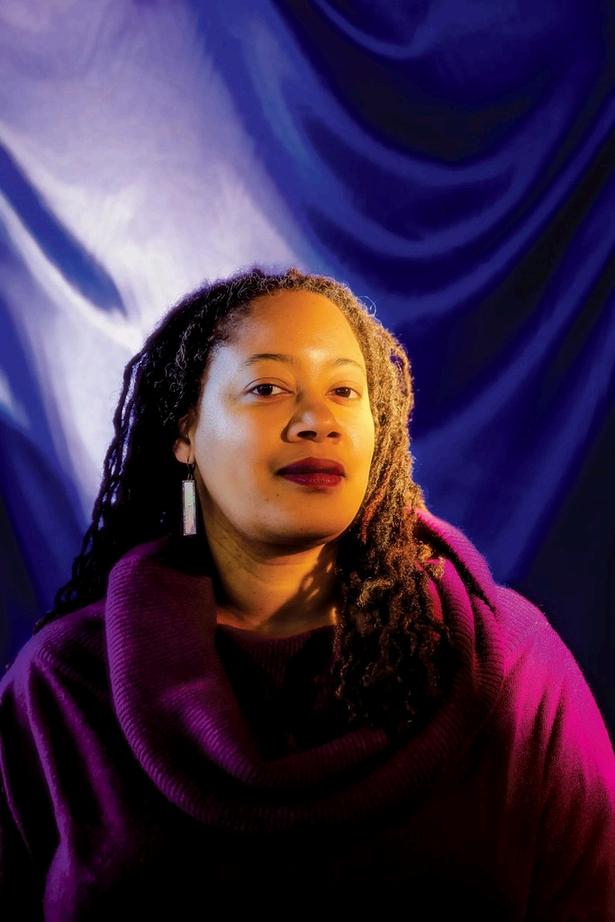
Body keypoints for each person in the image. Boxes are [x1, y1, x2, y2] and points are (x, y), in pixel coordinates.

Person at [0, 265, 613, 920]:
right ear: (184, 434)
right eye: (267, 388)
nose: (317, 421)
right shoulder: (63, 683)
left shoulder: (514, 668)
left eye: (345, 391)